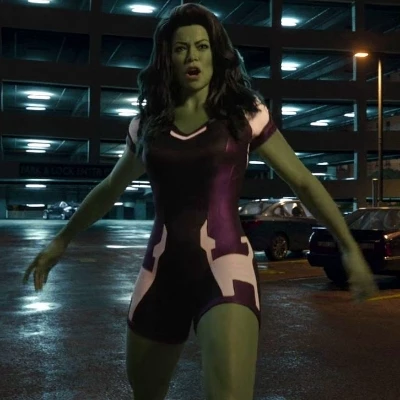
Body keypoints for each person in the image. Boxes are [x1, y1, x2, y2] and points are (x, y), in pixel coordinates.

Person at [23, 3, 379, 399]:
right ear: (168, 59)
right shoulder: (146, 126)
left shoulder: (246, 114)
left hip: (226, 268)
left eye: (202, 46)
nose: (192, 56)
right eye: (181, 49)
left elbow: (303, 182)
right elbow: (110, 188)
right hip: (160, 273)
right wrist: (61, 240)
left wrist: (349, 246)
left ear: (216, 53)